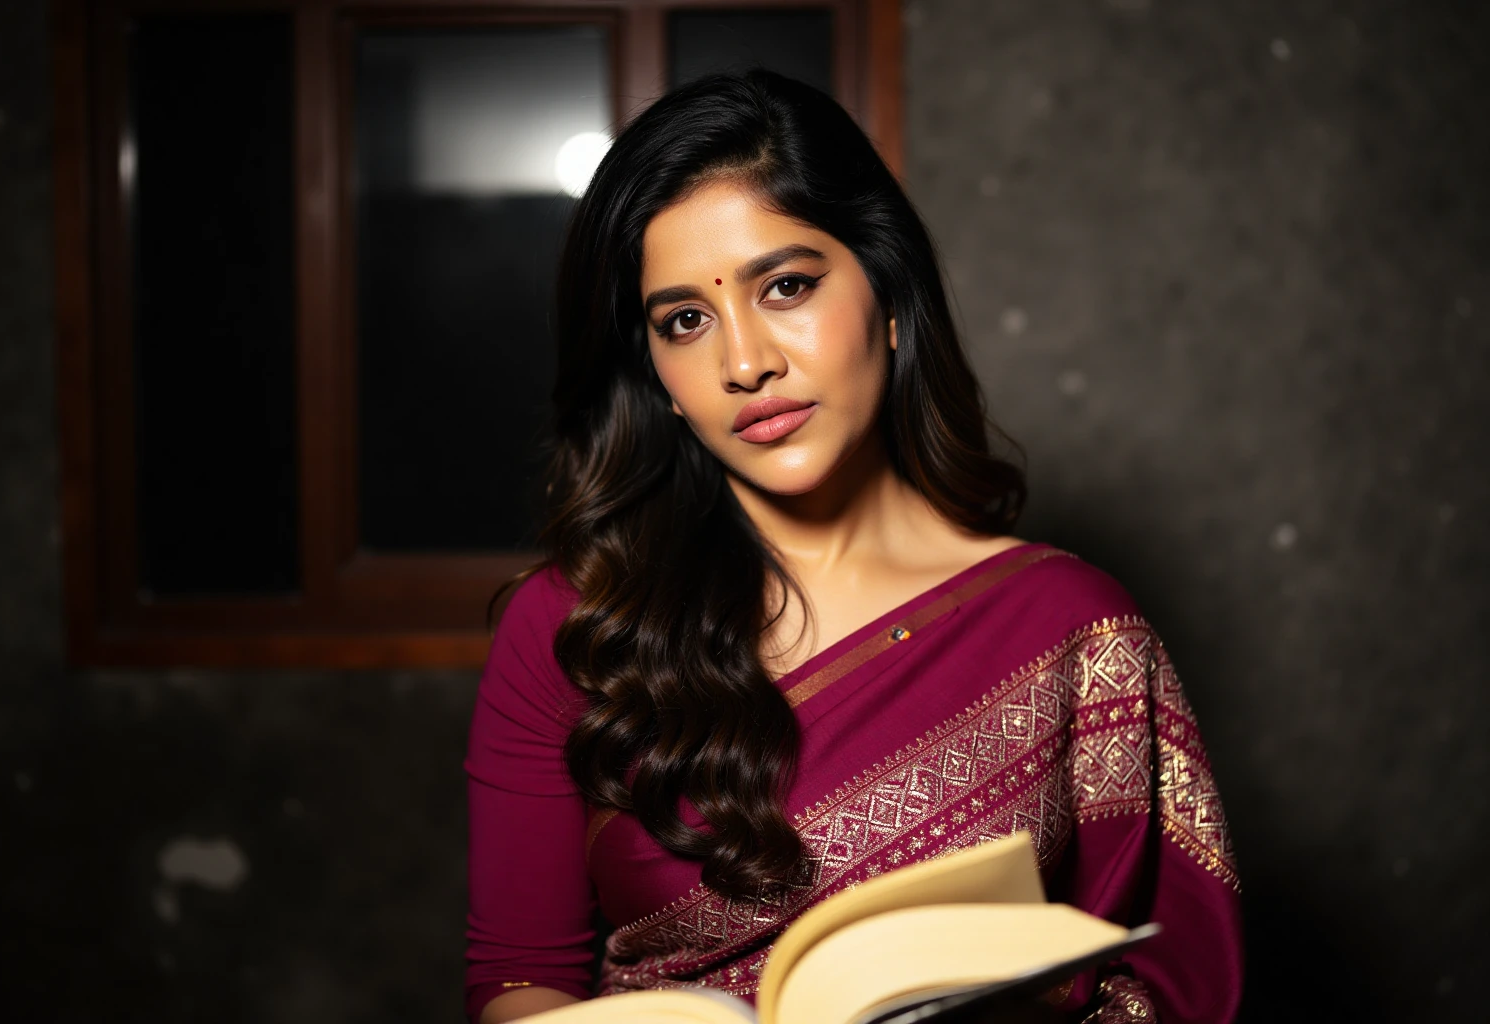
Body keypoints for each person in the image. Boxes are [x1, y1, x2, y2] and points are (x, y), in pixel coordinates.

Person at [464, 70, 1242, 1024]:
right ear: (657, 375)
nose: (745, 363)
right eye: (685, 321)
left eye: (786, 286)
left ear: (887, 294)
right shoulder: (579, 624)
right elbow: (517, 975)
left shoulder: (1076, 633)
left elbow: (1175, 988)